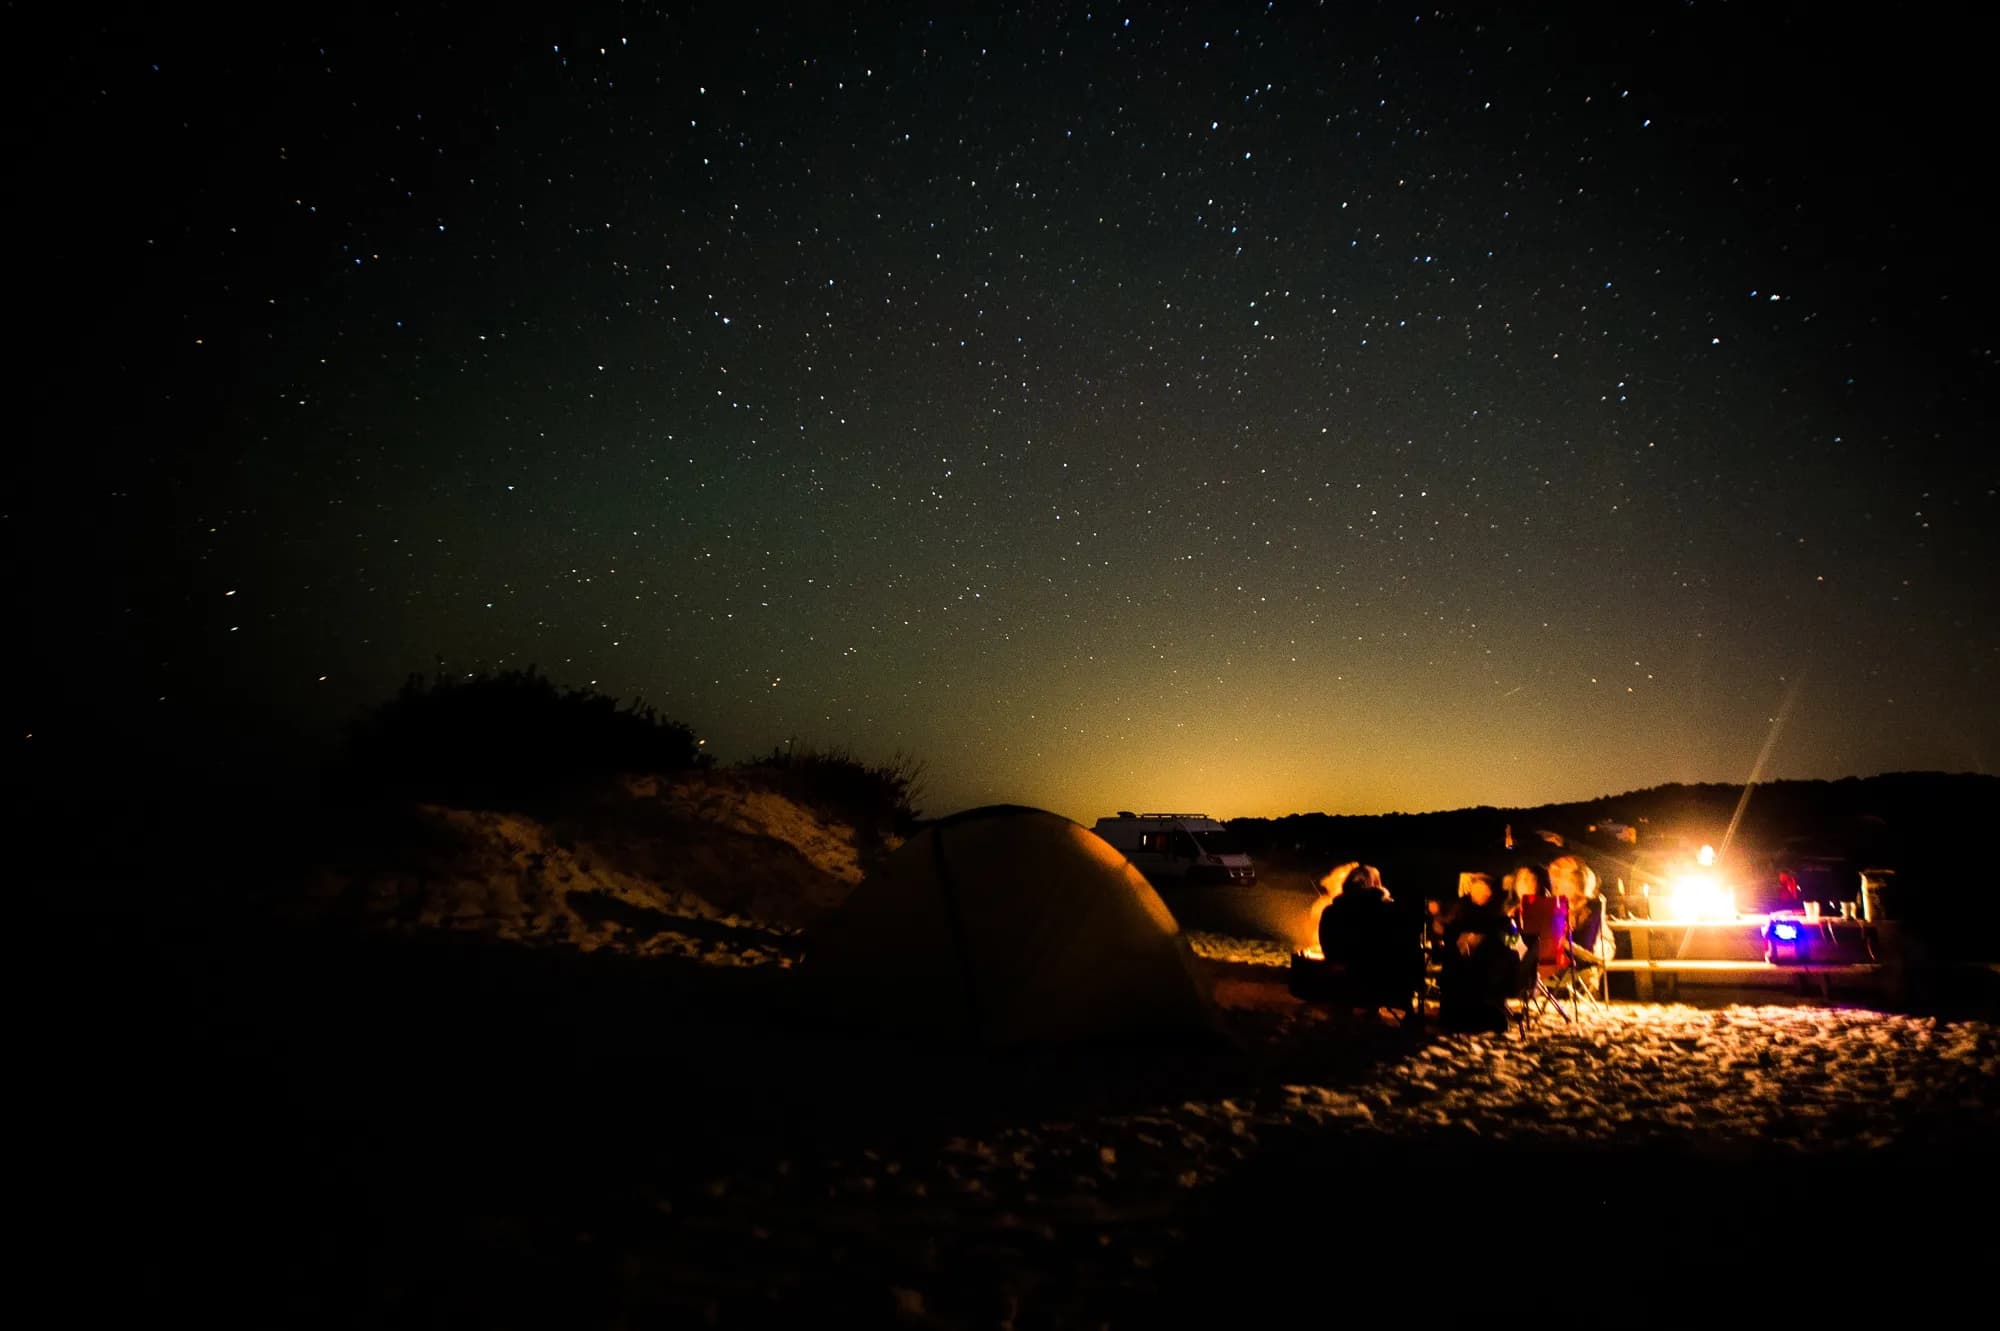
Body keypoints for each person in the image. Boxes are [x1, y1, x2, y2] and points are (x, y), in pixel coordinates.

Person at [1438, 872, 1521, 1034]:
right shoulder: (1464, 909)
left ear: (1489, 892)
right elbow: (1452, 931)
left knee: (1477, 969)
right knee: (1453, 964)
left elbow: (1511, 941)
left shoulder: (1500, 912)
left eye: (1479, 890)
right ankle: (1456, 1016)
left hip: (1490, 965)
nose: (1474, 894)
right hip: (1464, 961)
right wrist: (1460, 939)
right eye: (1473, 890)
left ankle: (1480, 1015)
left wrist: (1483, 938)